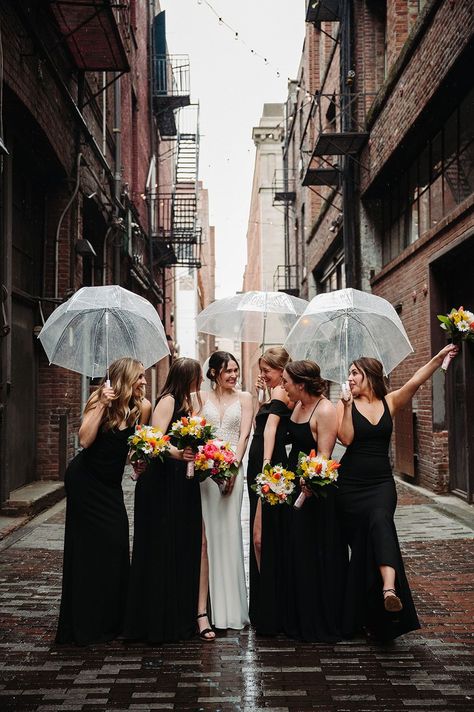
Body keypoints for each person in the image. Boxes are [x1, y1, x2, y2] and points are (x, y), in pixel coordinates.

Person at [336, 344, 458, 641]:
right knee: (363, 548)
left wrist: (438, 359)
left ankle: (389, 590)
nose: (350, 378)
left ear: (370, 376)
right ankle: (369, 618)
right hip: (351, 486)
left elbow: (415, 381)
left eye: (355, 373)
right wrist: (347, 404)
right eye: (350, 373)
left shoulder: (389, 402)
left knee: (381, 523)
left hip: (381, 485)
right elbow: (346, 438)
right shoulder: (346, 403)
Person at [56, 358, 151, 646]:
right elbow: (85, 440)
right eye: (140, 378)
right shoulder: (100, 399)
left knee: (117, 542)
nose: (144, 383)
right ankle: (86, 623)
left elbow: (133, 448)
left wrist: (138, 463)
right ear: (125, 380)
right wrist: (102, 405)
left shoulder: (142, 408)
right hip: (85, 482)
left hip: (110, 486)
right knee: (86, 550)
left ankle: (113, 620)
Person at [124, 357, 205, 643]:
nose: (202, 381)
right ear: (188, 377)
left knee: (182, 544)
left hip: (182, 482)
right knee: (162, 545)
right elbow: (154, 441)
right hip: (163, 483)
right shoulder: (168, 401)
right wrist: (178, 454)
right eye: (198, 377)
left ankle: (180, 613)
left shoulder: (189, 402)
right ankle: (157, 620)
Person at [282, 360, 347, 642]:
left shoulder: (325, 409)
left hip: (317, 493)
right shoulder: (296, 406)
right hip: (296, 489)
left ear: (300, 383)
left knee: (318, 553)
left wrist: (308, 483)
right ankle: (300, 617)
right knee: (298, 553)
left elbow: (324, 457)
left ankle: (322, 620)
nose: (283, 386)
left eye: (286, 381)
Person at [197, 351, 253, 630]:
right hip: (206, 475)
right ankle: (207, 609)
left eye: (235, 370)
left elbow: (243, 435)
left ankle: (231, 611)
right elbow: (195, 433)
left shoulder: (244, 398)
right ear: (214, 373)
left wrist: (232, 466)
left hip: (233, 471)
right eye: (228, 371)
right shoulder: (200, 398)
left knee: (230, 534)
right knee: (208, 539)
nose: (233, 375)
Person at [246, 346, 292, 630]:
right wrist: (261, 397)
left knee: (264, 536)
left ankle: (270, 606)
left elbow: (271, 429)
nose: (263, 374)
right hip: (263, 463)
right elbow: (260, 424)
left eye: (267, 370)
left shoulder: (280, 393)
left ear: (281, 369)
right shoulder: (274, 393)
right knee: (264, 533)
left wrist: (265, 467)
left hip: (270, 466)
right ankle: (268, 602)